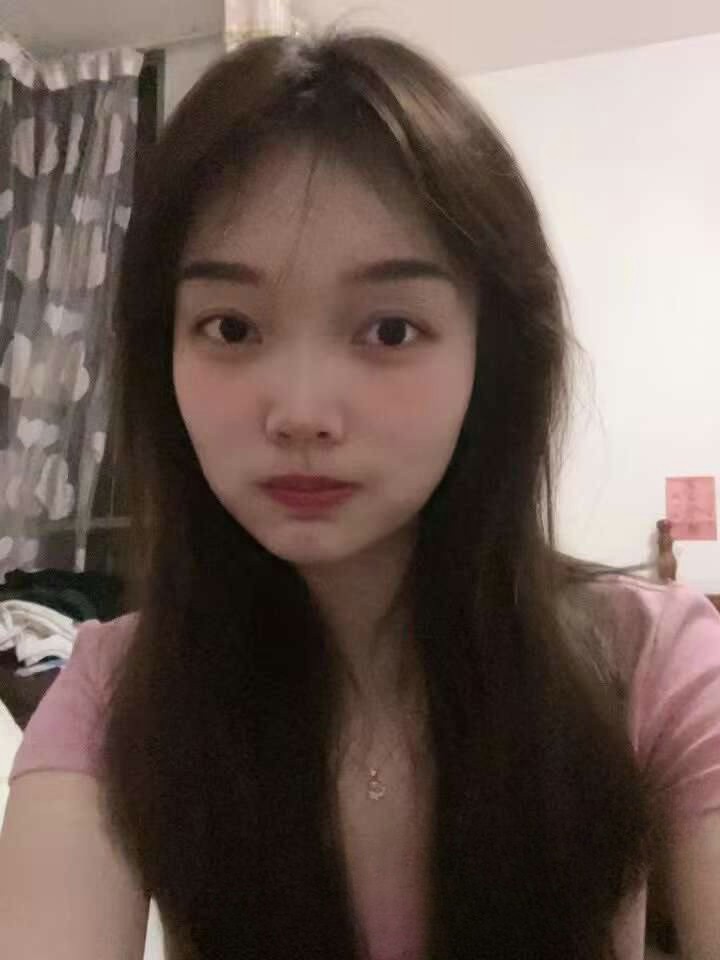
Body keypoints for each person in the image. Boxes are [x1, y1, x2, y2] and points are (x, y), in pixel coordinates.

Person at [1, 29, 719, 960]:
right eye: (230, 327)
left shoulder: (658, 663)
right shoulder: (113, 689)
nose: (301, 412)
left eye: (389, 330)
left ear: (492, 358)